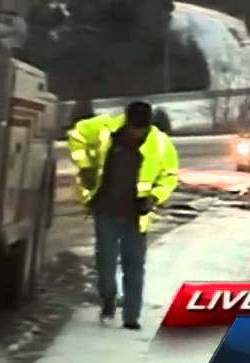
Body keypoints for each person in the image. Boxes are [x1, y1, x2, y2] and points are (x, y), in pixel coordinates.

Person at [66, 101, 180, 330]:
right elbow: (76, 134)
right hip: (105, 210)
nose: (137, 134)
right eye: (133, 129)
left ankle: (131, 317)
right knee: (106, 265)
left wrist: (154, 197)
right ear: (126, 122)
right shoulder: (104, 128)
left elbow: (169, 176)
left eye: (142, 130)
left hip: (136, 217)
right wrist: (86, 166)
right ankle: (108, 298)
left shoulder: (160, 143)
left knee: (134, 267)